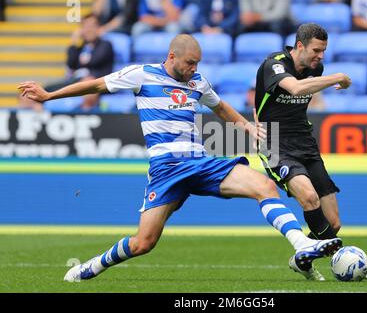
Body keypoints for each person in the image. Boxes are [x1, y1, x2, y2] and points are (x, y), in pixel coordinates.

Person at [18, 34, 342, 282]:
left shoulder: (197, 82)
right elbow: (95, 85)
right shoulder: (141, 75)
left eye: (198, 64)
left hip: (199, 161)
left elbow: (220, 106)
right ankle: (92, 267)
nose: (194, 70)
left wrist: (244, 126)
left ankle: (301, 245)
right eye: (190, 63)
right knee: (143, 243)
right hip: (166, 169)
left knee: (264, 186)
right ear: (172, 56)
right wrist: (49, 95)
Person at [254, 23, 351, 278]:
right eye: (316, 50)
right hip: (273, 143)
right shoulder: (274, 65)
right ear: (299, 46)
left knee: (333, 222)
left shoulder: (315, 68)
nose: (320, 56)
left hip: (305, 143)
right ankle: (345, 258)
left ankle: (301, 258)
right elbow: (295, 88)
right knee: (309, 197)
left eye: (323, 51)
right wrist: (338, 78)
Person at [19, 13, 114, 112]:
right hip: (75, 82)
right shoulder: (79, 47)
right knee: (30, 90)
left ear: (98, 28)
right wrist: (74, 41)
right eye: (85, 26)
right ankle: (32, 116)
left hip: (97, 84)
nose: (88, 30)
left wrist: (83, 62)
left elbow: (95, 61)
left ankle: (85, 116)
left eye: (91, 26)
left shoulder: (106, 44)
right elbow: (70, 64)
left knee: (88, 81)